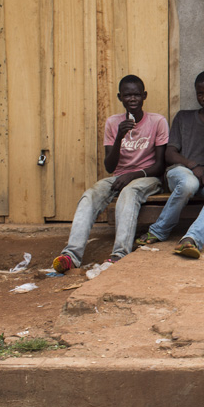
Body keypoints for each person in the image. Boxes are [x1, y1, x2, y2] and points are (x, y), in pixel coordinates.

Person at [52, 75, 169, 273]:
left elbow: (160, 165)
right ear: (119, 97)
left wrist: (133, 175)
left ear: (144, 96)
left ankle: (119, 254)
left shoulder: (157, 121)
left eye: (136, 95)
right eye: (127, 95)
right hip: (119, 177)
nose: (132, 99)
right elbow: (109, 166)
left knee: (129, 193)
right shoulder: (113, 123)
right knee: (90, 195)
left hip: (147, 177)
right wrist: (119, 138)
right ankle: (71, 255)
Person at [134, 71, 204, 259]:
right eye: (200, 93)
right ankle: (159, 230)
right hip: (181, 171)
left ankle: (192, 238)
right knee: (188, 183)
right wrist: (193, 165)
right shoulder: (183, 117)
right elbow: (170, 153)